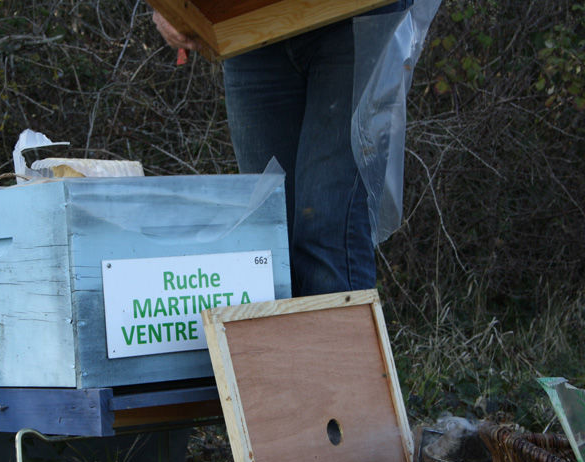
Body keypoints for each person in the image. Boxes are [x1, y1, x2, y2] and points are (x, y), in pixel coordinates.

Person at [152, 2, 411, 297]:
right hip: (246, 29)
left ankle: (333, 343)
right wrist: (170, 8)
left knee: (327, 227)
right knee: (268, 239)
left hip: (352, 19)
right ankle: (286, 344)